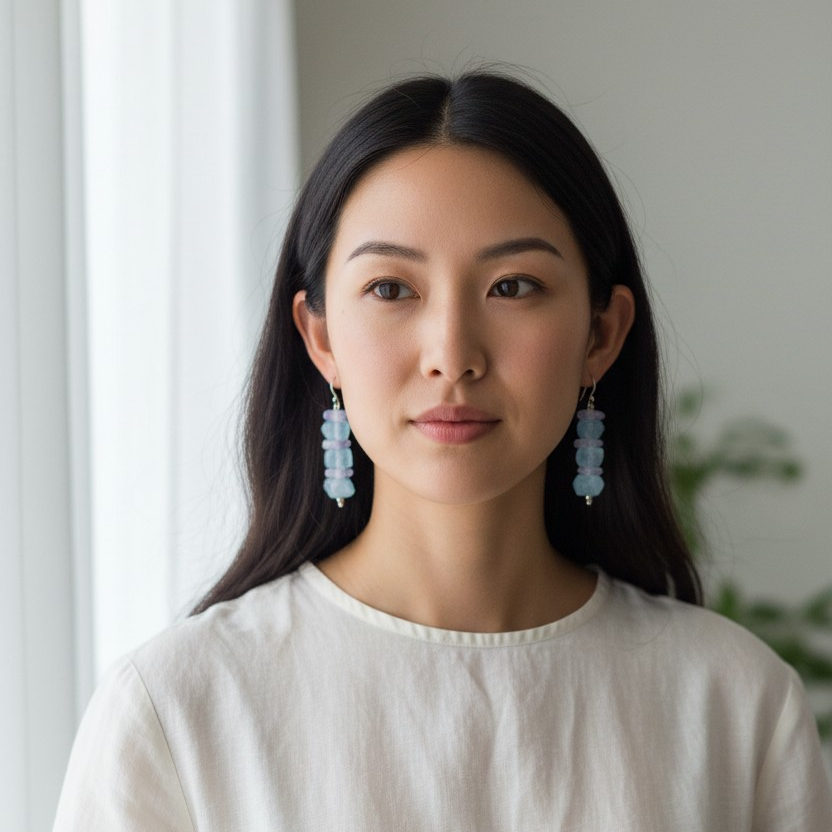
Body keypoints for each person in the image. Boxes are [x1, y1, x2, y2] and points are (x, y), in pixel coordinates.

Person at [54, 70, 831, 831]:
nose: (452, 355)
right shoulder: (176, 712)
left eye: (513, 287)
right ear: (320, 339)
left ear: (601, 334)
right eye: (392, 290)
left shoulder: (736, 704)